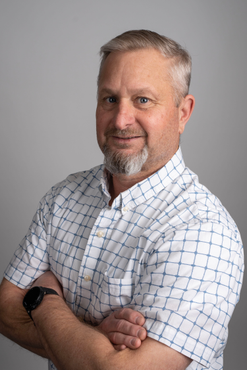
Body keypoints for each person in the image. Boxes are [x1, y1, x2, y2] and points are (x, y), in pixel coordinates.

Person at [0, 29, 244, 370]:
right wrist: (95, 340)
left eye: (143, 100)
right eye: (109, 99)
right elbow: (6, 308)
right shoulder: (63, 198)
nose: (120, 120)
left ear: (183, 112)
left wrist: (45, 300)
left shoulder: (203, 231)